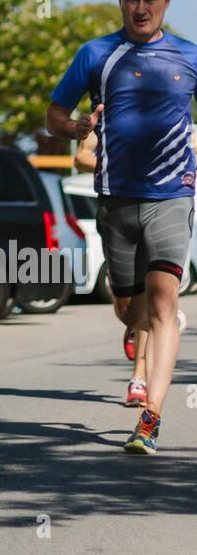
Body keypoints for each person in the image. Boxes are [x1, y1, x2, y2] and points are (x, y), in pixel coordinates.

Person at [47, 0, 195, 453]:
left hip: (172, 196)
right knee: (129, 310)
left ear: (166, 3)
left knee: (162, 303)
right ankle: (145, 328)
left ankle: (149, 419)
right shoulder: (96, 54)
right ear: (121, 2)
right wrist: (78, 129)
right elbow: (54, 116)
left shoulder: (189, 56)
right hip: (114, 200)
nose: (141, 7)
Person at [75, 128, 187, 405]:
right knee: (132, 309)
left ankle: (139, 379)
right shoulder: (106, 120)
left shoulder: (180, 125)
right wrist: (125, 167)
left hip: (165, 211)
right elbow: (81, 158)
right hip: (121, 212)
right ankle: (135, 322)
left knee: (157, 299)